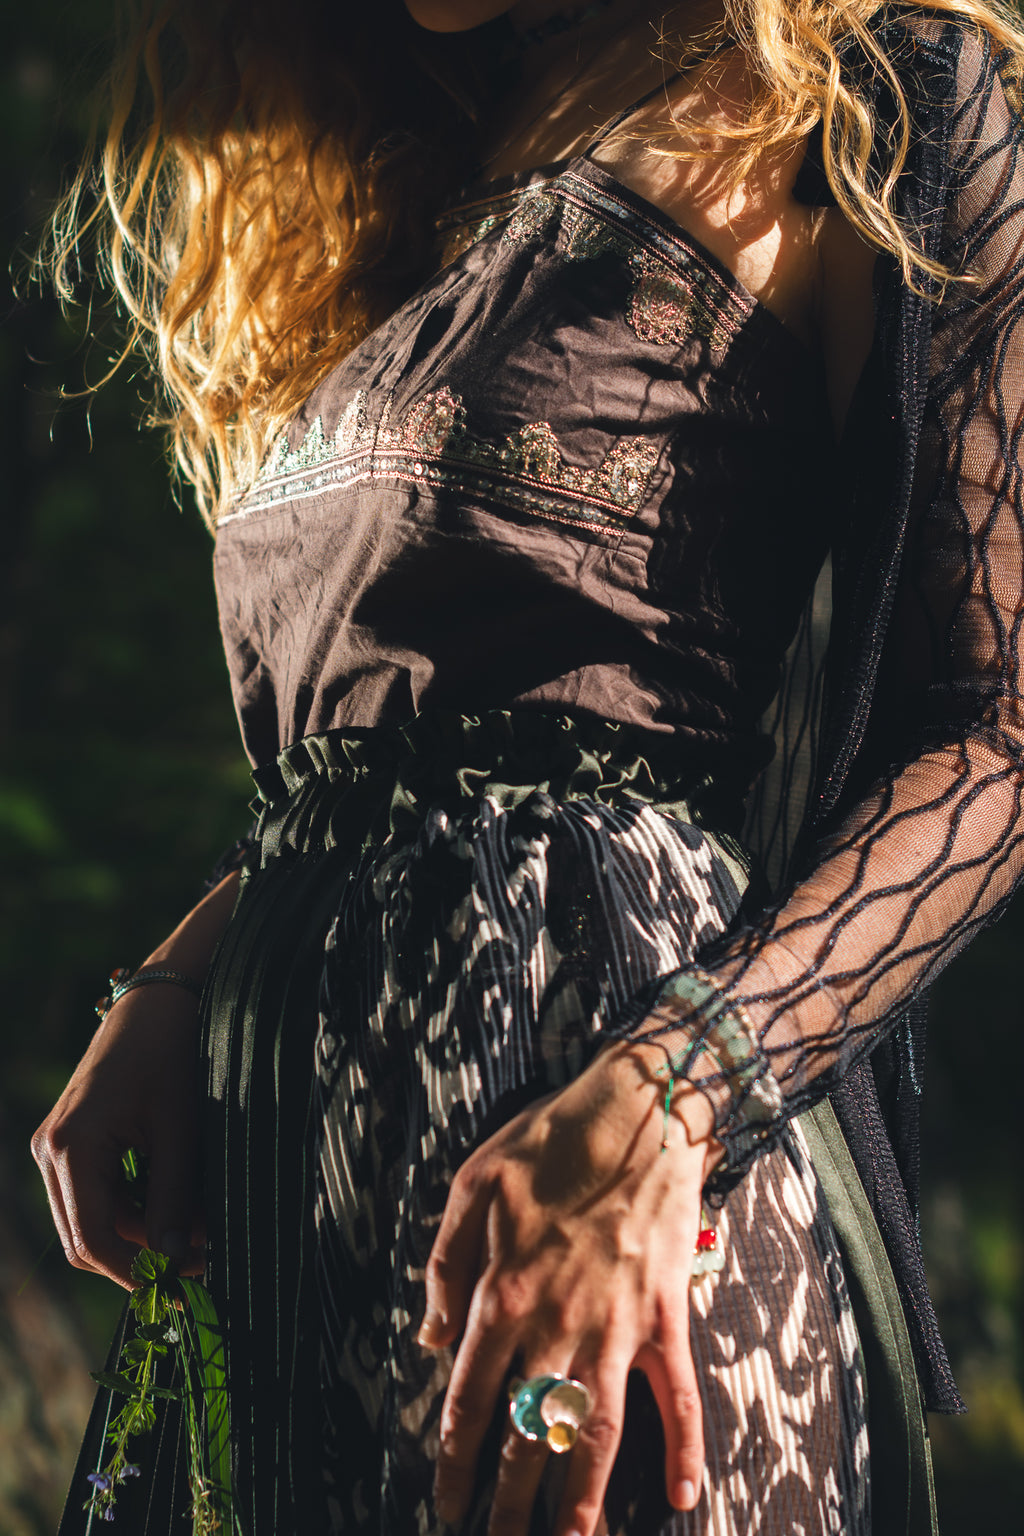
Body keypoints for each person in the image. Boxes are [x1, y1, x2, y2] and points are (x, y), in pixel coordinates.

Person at [30, 0, 1024, 1532]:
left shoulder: (870, 94)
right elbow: (438, 715)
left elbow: (997, 738)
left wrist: (671, 1096)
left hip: (602, 1145)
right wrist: (182, 970)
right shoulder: (416, 137)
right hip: (296, 1157)